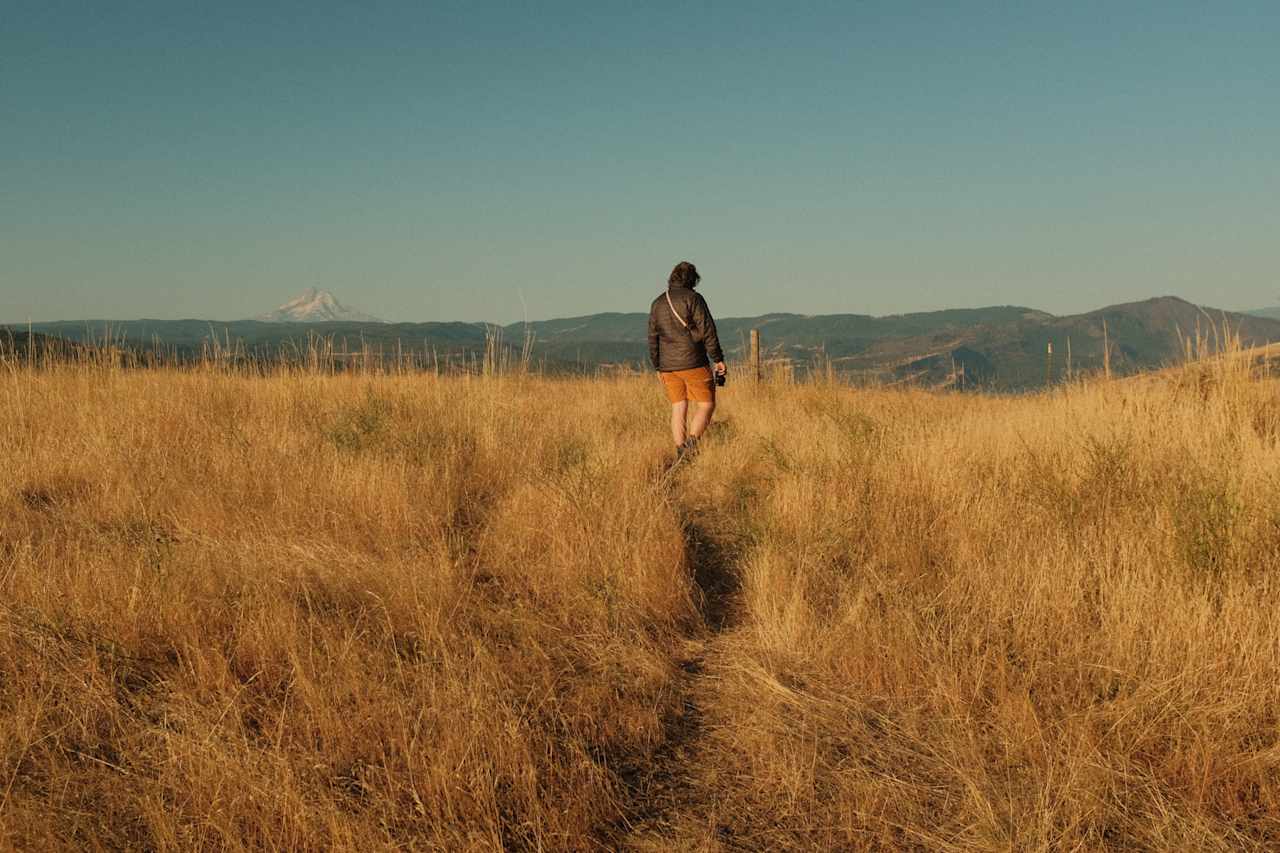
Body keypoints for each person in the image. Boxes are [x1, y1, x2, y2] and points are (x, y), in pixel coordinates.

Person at [648, 261, 727, 455]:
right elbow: (707, 330)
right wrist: (717, 358)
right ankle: (691, 445)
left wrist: (657, 366)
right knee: (707, 404)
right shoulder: (694, 298)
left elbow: (652, 338)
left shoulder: (657, 302)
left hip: (668, 367)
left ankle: (679, 449)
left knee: (678, 406)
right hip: (694, 362)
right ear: (693, 280)